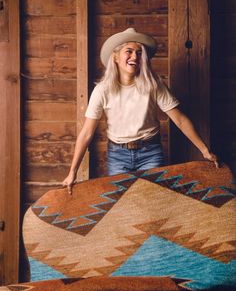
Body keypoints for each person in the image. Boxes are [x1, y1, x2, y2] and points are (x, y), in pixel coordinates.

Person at [62, 28, 218, 194]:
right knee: (122, 206)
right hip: (117, 155)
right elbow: (86, 132)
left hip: (150, 152)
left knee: (152, 201)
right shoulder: (103, 90)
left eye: (139, 53)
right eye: (128, 51)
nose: (134, 57)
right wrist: (73, 172)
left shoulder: (153, 85)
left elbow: (180, 119)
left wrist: (204, 150)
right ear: (115, 57)